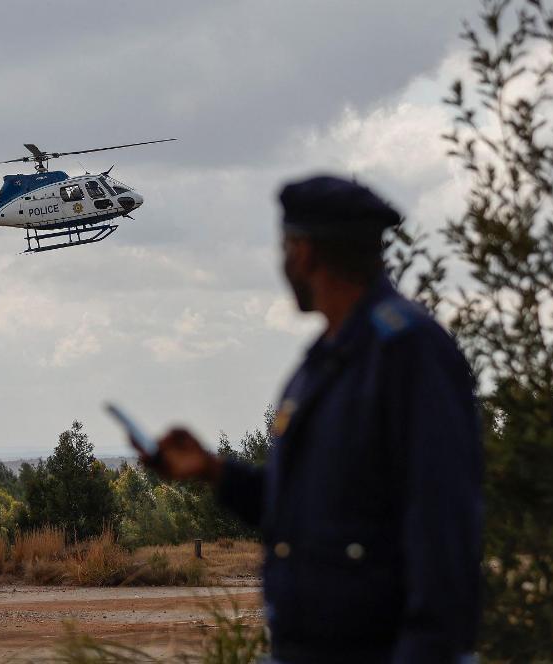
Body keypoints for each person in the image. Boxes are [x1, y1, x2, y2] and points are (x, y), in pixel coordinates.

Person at [144, 175, 482, 663]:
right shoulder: (326, 359)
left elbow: (443, 521)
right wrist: (215, 473)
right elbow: (305, 515)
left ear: (302, 254)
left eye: (284, 248)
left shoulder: (408, 351)